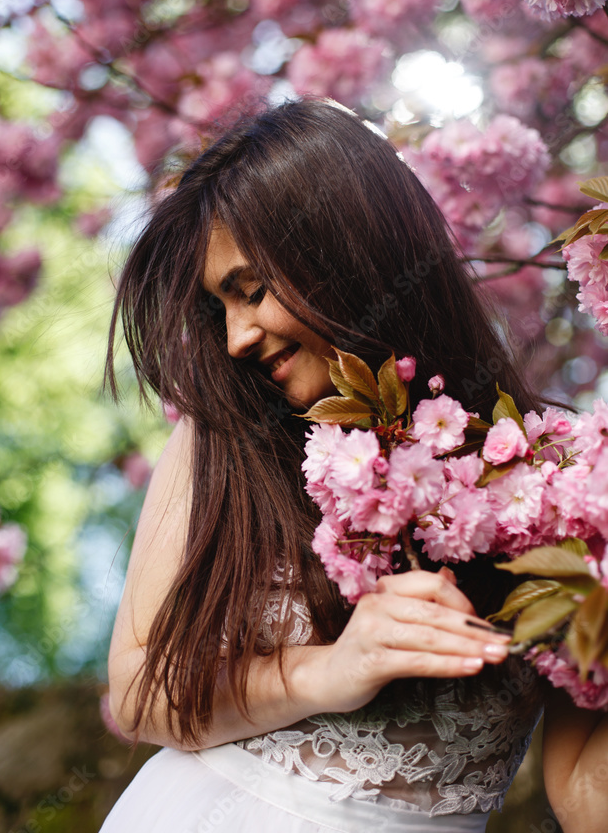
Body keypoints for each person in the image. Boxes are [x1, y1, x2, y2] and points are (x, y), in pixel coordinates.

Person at [101, 97, 607, 833]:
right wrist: (330, 672)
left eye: (251, 291)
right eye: (220, 307)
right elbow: (138, 690)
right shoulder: (225, 437)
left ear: (345, 253)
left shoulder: (555, 471)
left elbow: (582, 799)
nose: (237, 336)